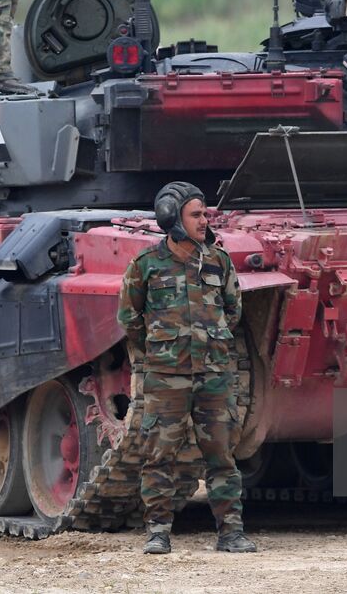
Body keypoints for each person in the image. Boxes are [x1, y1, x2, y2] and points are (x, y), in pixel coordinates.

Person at [116, 182, 256, 555]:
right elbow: (129, 318)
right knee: (159, 456)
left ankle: (231, 533)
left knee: (222, 456)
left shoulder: (218, 261)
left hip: (214, 375)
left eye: (205, 213)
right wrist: (161, 353)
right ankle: (158, 532)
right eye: (195, 214)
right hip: (166, 377)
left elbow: (233, 310)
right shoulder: (146, 266)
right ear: (172, 218)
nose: (203, 220)